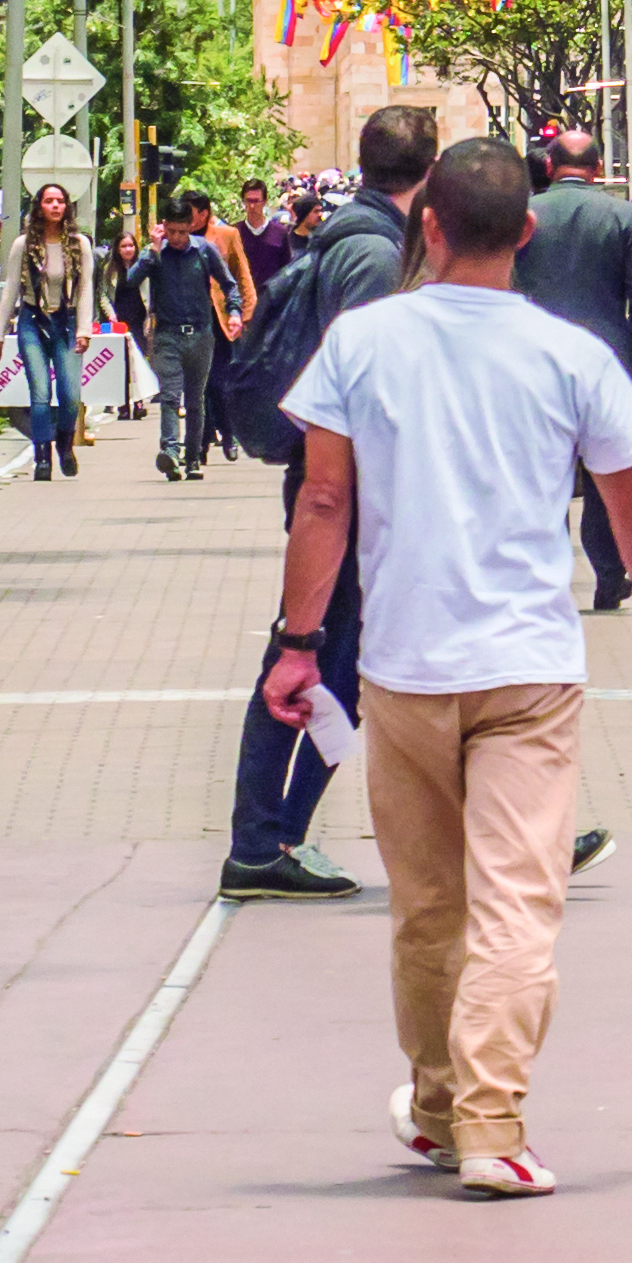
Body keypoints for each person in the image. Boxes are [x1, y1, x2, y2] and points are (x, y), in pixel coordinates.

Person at [260, 132, 632, 1197]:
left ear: (427, 226)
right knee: (516, 904)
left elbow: (322, 500)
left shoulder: (362, 344)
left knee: (428, 905)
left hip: (403, 666)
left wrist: (298, 642)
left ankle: (447, 1111)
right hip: (531, 670)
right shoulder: (573, 354)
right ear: (529, 231)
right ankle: (487, 1125)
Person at [218, 113, 434, 901]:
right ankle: (260, 840)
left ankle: (275, 837)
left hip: (340, 484)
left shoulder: (354, 238)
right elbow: (366, 387)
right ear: (430, 171)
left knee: (335, 667)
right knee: (307, 659)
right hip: (343, 487)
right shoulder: (374, 255)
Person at [516, 128, 632, 619]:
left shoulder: (528, 216)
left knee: (546, 473)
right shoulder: (623, 216)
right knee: (606, 470)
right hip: (607, 362)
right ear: (598, 169)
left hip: (535, 360)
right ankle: (609, 576)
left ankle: (550, 576)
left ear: (548, 167)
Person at [120, 190, 249, 480]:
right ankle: (169, 452)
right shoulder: (155, 253)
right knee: (169, 396)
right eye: (172, 232)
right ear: (164, 226)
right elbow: (130, 282)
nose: (177, 238)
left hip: (201, 335)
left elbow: (229, 284)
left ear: (191, 226)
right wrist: (151, 251)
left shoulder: (204, 250)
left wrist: (235, 313)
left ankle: (192, 459)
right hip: (167, 335)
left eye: (182, 231)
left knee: (195, 400)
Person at [2, 180, 96, 481]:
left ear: (66, 207)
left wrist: (84, 329)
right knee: (40, 393)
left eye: (60, 201)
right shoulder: (24, 245)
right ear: (39, 207)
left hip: (66, 322)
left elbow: (86, 290)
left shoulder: (79, 244)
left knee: (70, 395)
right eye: (48, 201)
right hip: (32, 320)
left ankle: (65, 446)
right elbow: (11, 290)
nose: (55, 206)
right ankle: (42, 456)